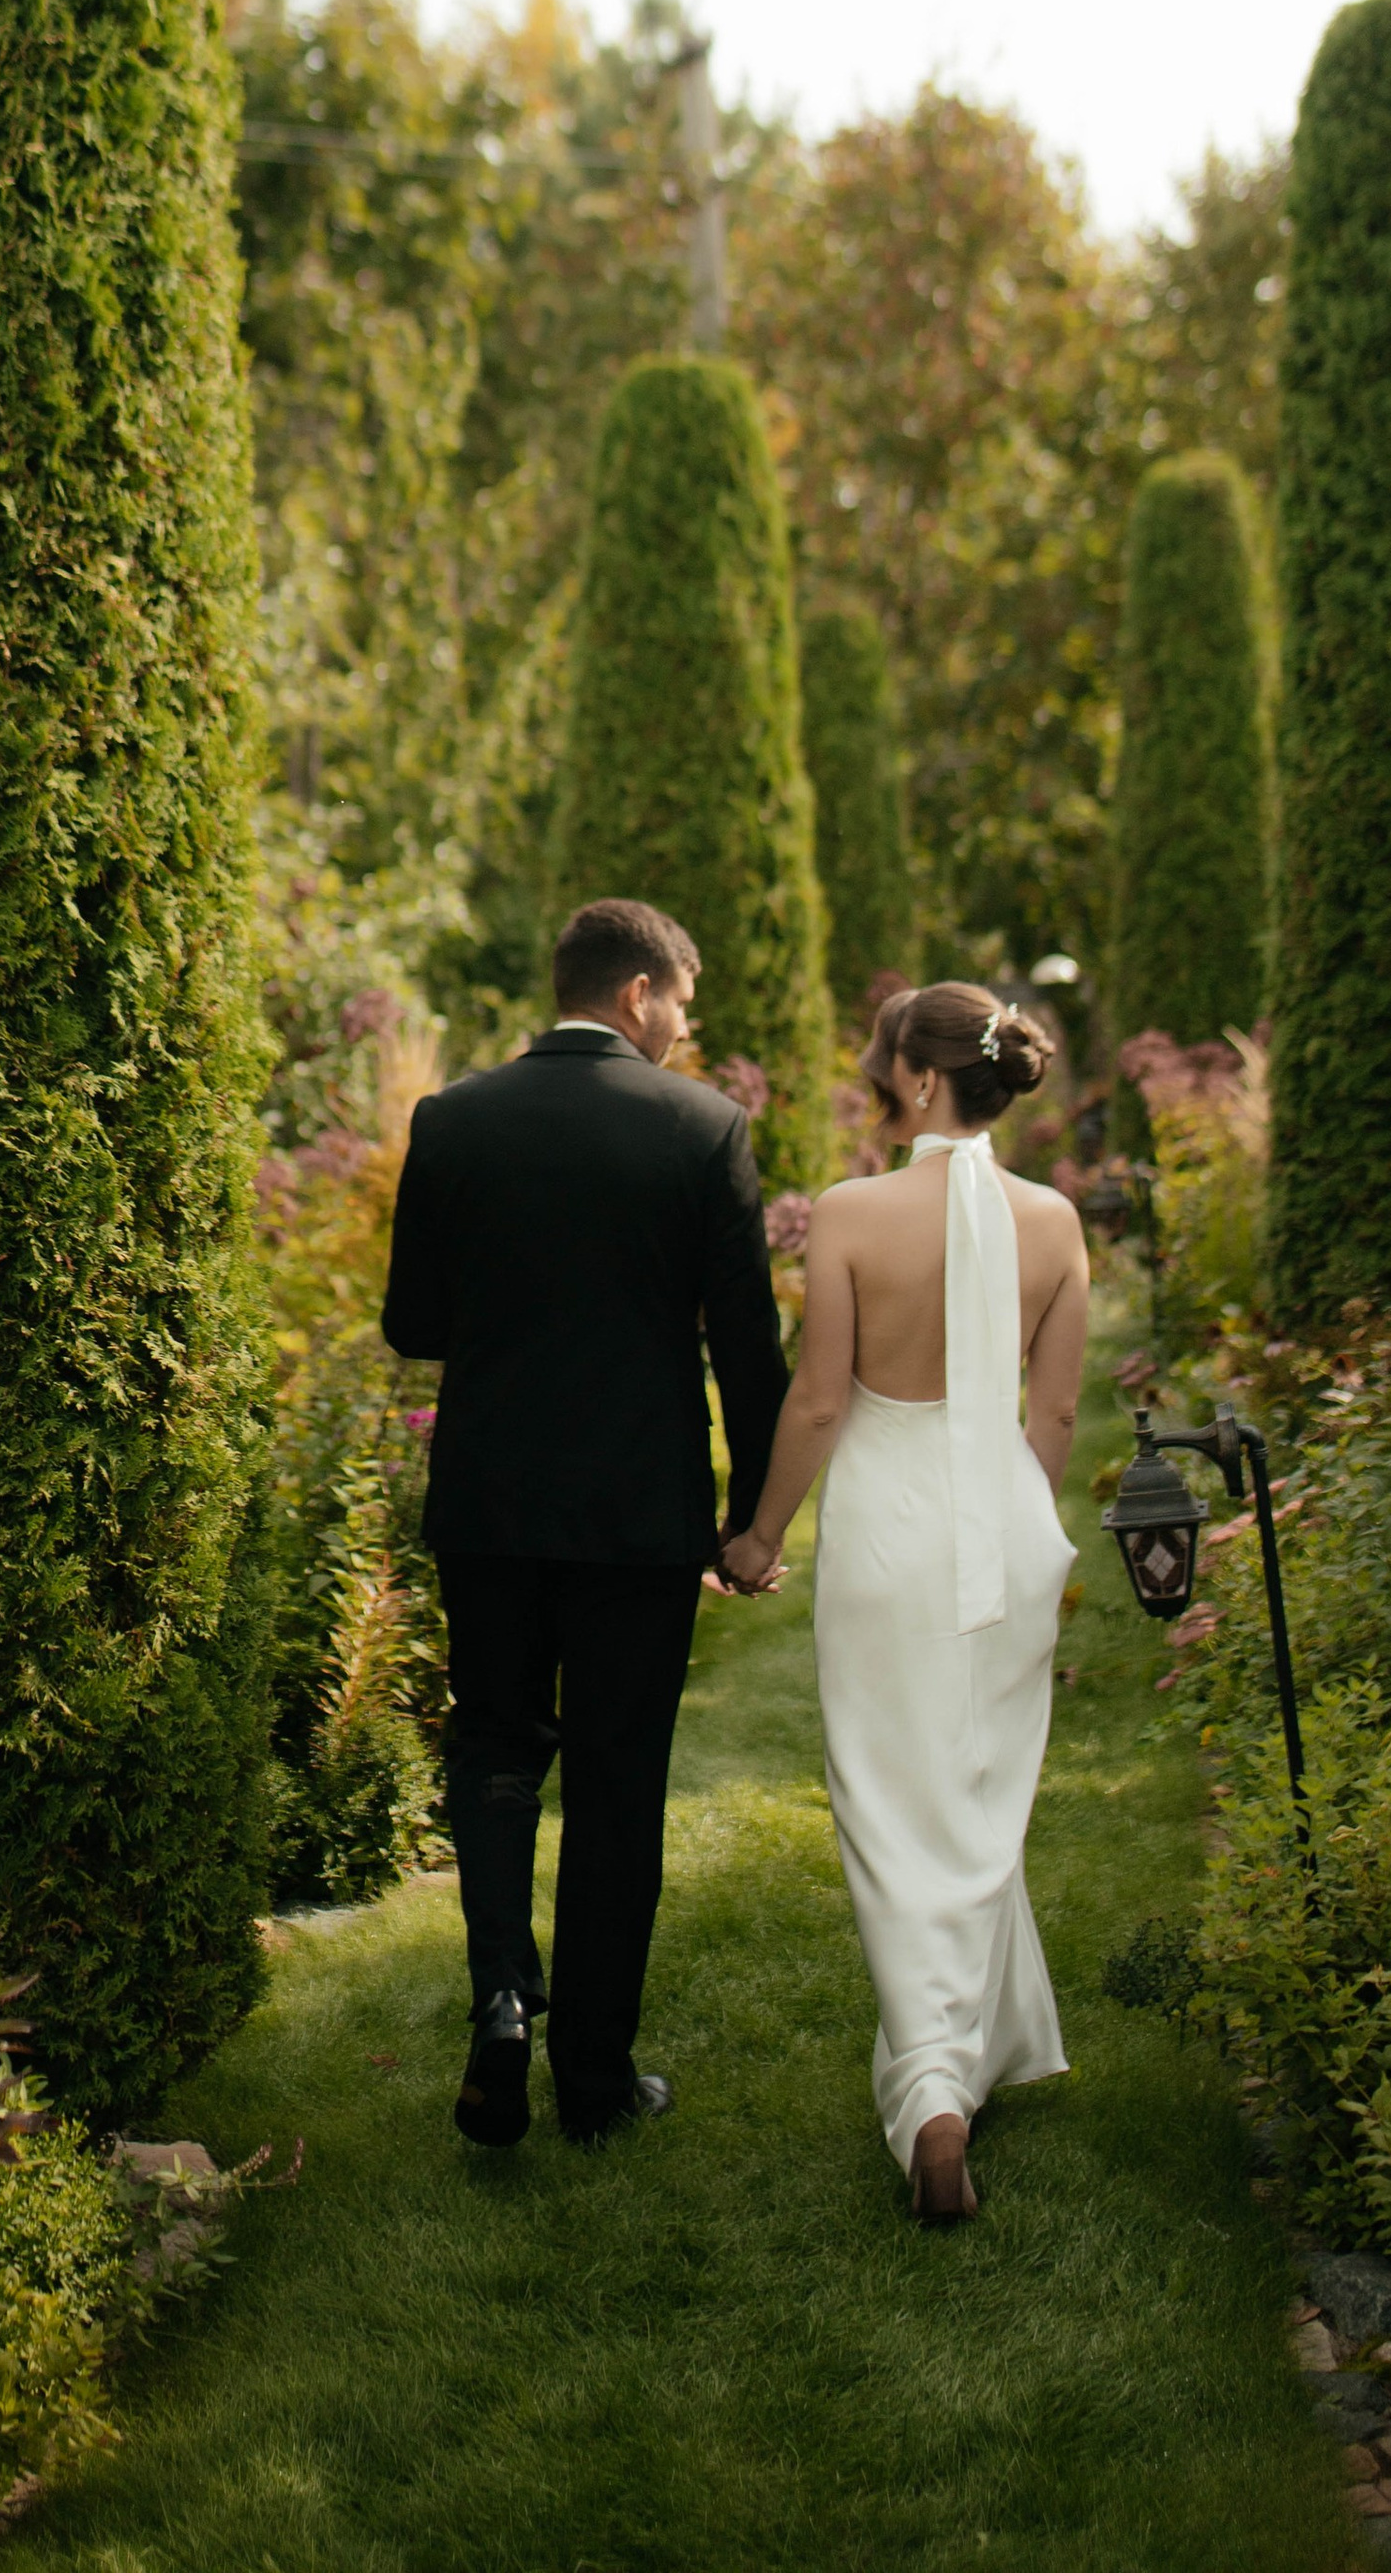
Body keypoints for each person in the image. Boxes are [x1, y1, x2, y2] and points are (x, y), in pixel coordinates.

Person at [382, 895, 787, 2148]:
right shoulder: (704, 1127)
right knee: (618, 1787)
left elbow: (413, 1326)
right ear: (634, 995)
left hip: (492, 1505)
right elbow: (746, 1348)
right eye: (682, 999)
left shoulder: (453, 1121)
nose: (688, 1022)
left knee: (497, 1755)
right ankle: (594, 2077)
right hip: (635, 1514)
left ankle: (501, 1997)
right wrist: (749, 1514)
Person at [721, 981, 1087, 2224]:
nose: (883, 1086)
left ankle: (932, 2091)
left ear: (924, 1082)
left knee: (891, 1803)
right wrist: (1024, 1538)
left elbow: (819, 1403)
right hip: (1005, 1532)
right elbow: (1056, 1416)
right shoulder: (1055, 1225)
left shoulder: (851, 1214)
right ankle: (963, 2059)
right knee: (977, 1795)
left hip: (886, 1539)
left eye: (887, 1067)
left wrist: (760, 1535)